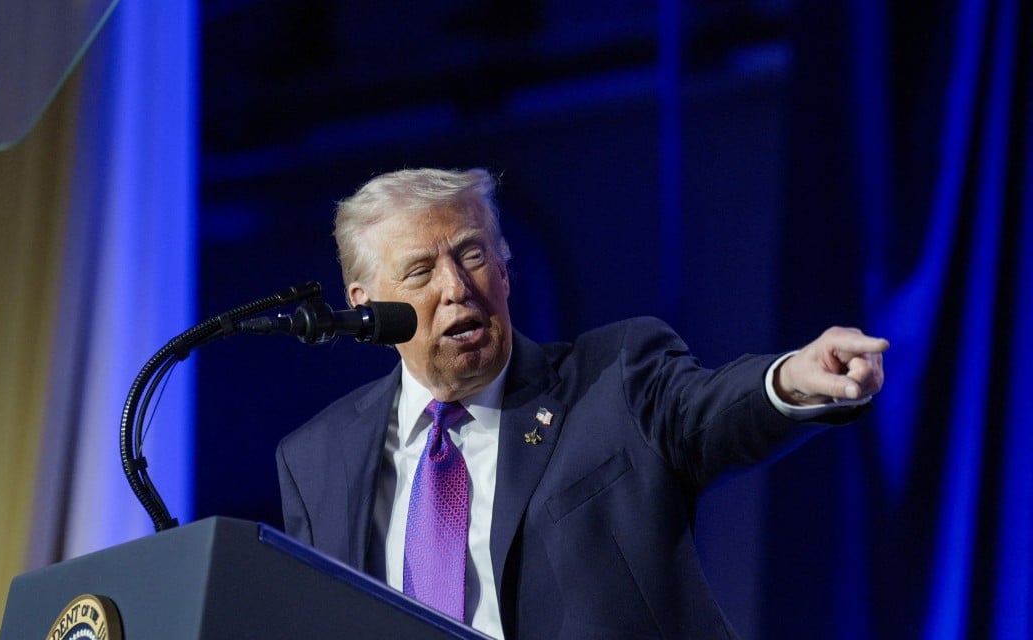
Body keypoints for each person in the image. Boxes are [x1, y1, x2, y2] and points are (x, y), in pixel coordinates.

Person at [276, 167, 887, 639]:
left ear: (504, 271)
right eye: (419, 272)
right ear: (366, 307)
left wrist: (789, 382)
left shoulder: (612, 379)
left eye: (472, 255)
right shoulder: (318, 459)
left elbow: (707, 413)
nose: (456, 288)